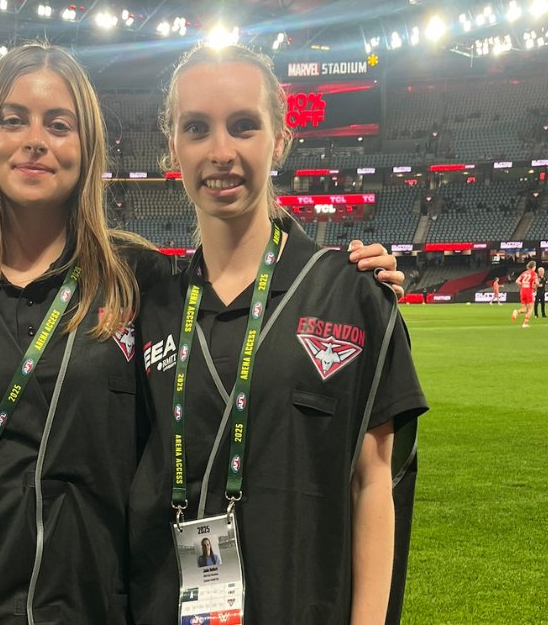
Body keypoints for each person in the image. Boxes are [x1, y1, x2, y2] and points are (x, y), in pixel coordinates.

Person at [0, 42, 408, 624]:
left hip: (91, 607)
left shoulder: (135, 281)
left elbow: (245, 278)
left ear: (87, 147)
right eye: (12, 119)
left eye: (59, 124)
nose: (35, 139)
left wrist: (349, 277)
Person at [128, 44, 427, 625]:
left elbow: (375, 484)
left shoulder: (351, 292)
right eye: (197, 128)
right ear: (174, 149)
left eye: (244, 126)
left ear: (281, 139)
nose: (221, 152)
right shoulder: (150, 302)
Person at [512, 260, 538, 328]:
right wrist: (535, 286)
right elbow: (537, 283)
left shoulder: (524, 273)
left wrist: (523, 285)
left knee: (525, 309)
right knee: (530, 308)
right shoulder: (534, 273)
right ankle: (525, 323)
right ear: (534, 267)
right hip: (529, 291)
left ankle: (517, 312)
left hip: (522, 291)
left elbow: (517, 281)